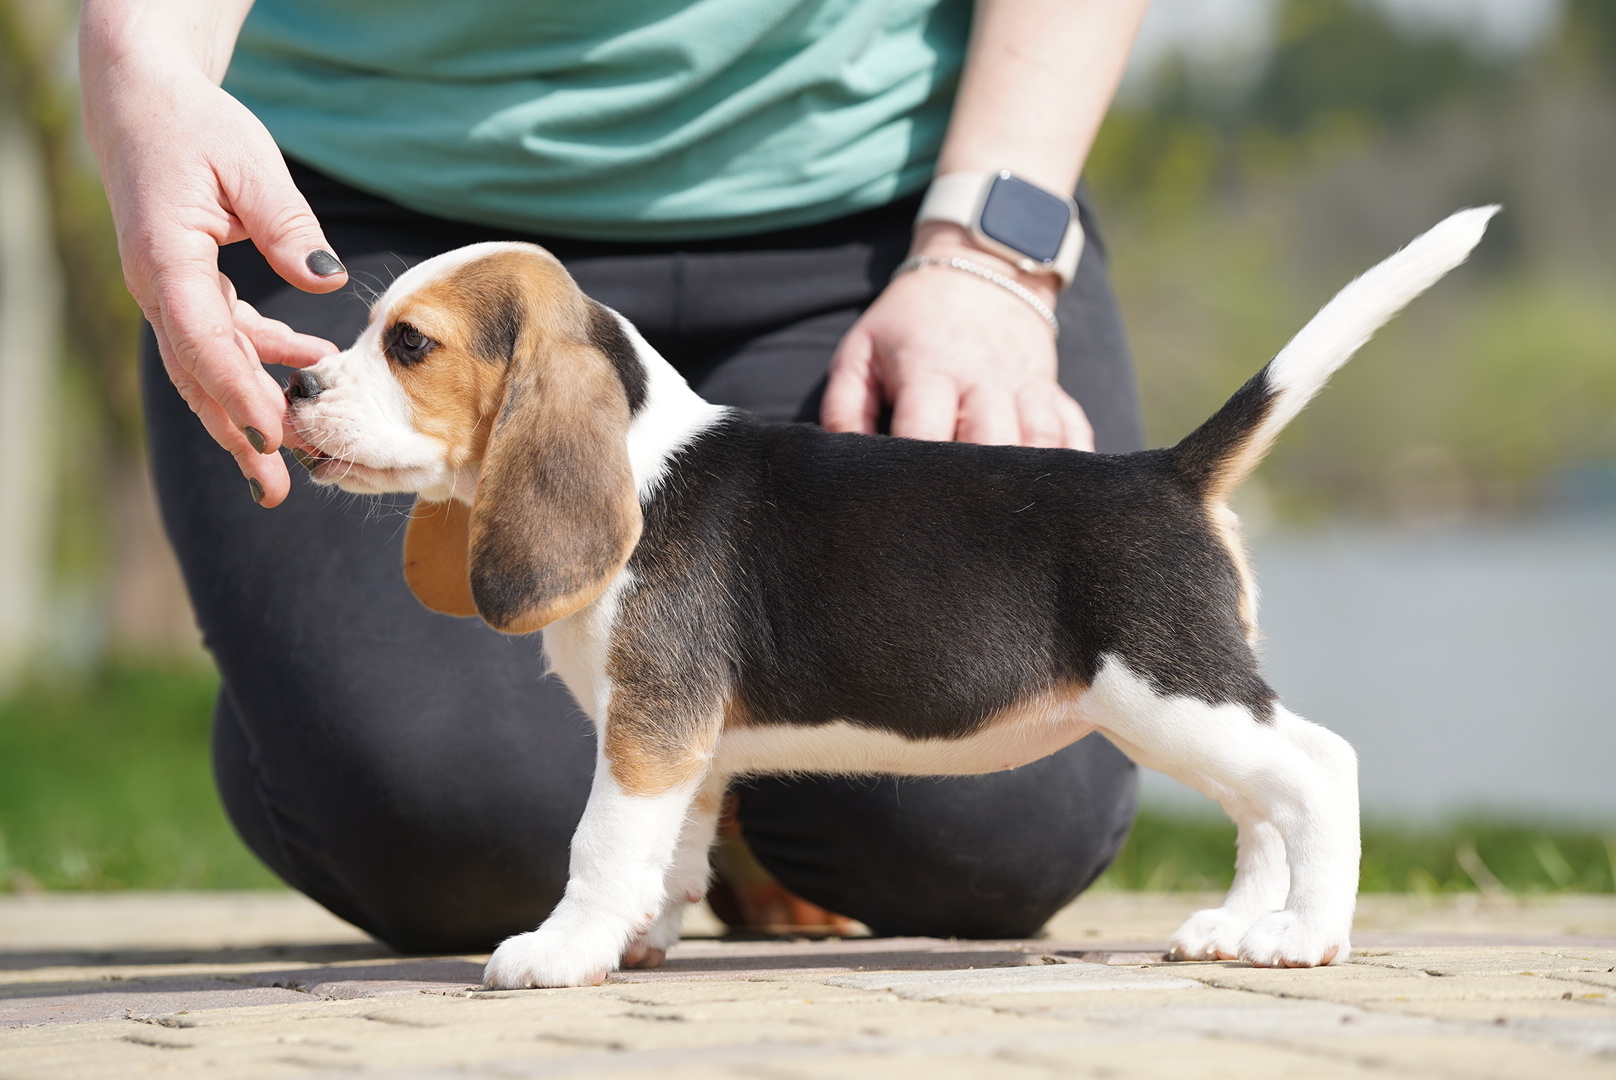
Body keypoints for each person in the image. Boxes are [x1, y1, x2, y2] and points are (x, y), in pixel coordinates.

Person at [81, 0, 1152, 952]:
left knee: (994, 830)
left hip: (890, 206)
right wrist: (145, 62)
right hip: (357, 203)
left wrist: (988, 252)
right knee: (458, 834)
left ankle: (712, 794)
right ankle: (358, 717)